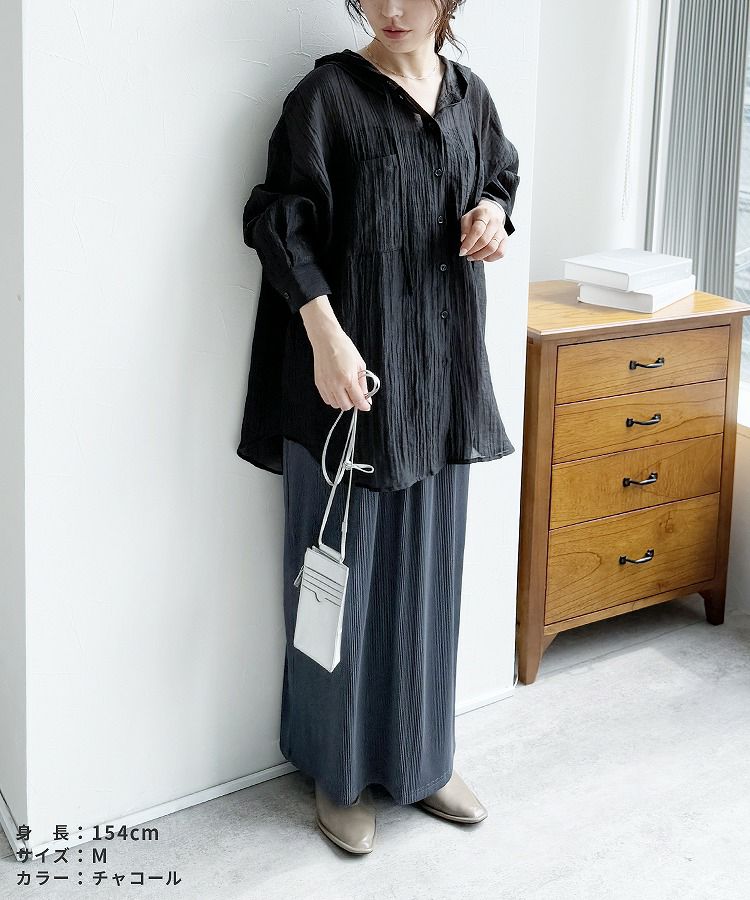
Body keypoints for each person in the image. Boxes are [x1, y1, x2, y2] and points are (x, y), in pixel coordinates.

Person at [238, 0, 520, 855]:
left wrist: (493, 213)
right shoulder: (327, 97)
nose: (393, 9)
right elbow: (277, 222)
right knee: (340, 583)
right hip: (348, 387)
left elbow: (500, 173)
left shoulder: (471, 97)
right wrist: (325, 338)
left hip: (441, 379)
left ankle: (422, 760)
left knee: (430, 580)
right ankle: (339, 771)